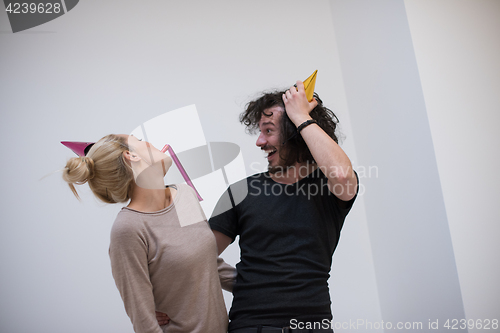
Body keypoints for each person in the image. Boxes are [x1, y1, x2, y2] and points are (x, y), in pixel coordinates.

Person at [209, 81, 359, 333]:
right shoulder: (240, 191)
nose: (259, 141)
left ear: (296, 132)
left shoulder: (329, 187)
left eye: (268, 131)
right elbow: (196, 257)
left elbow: (343, 176)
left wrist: (300, 114)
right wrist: (240, 281)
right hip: (250, 326)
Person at [62, 134, 230, 333]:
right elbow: (144, 323)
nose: (150, 143)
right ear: (130, 156)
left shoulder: (185, 195)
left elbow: (210, 263)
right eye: (139, 140)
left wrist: (265, 286)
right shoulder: (128, 229)